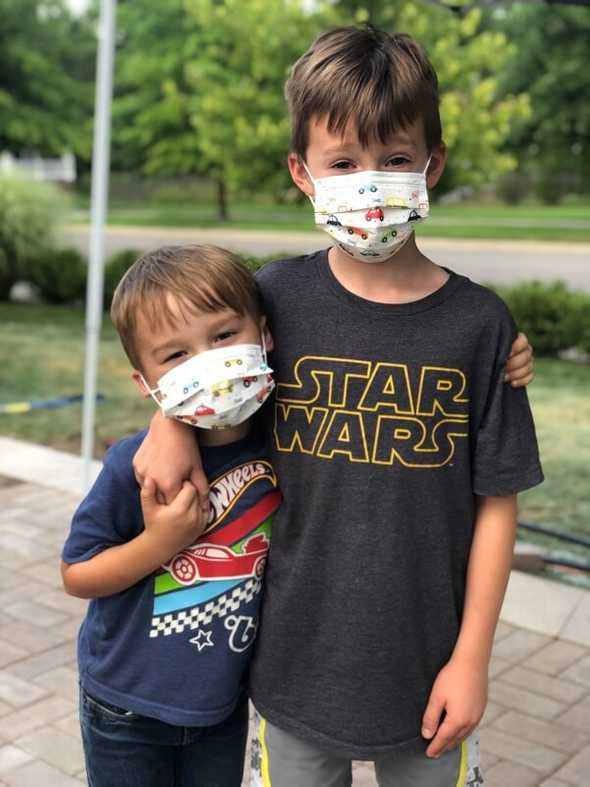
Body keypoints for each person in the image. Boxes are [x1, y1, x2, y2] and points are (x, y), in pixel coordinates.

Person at [133, 26, 542, 787]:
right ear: (302, 172)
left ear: (433, 164)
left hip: (429, 675)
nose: (370, 181)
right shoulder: (274, 299)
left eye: (393, 160)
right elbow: (203, 366)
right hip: (292, 664)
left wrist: (473, 659)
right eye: (344, 162)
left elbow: (497, 503)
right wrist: (168, 423)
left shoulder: (481, 326)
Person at [61, 245, 281, 787]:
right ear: (146, 384)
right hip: (125, 705)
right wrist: (161, 541)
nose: (206, 361)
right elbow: (77, 574)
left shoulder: (288, 442)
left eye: (225, 336)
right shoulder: (133, 466)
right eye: (175, 354)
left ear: (265, 334)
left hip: (222, 704)